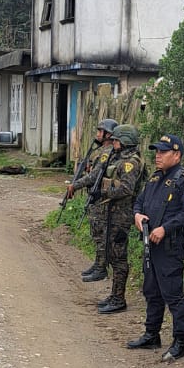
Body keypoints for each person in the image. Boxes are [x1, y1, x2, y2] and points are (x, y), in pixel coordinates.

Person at [128, 133, 184, 361]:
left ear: (176, 154)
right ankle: (152, 334)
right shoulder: (155, 178)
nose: (158, 156)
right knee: (151, 291)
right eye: (156, 151)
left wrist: (165, 229)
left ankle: (180, 341)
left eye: (163, 152)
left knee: (173, 295)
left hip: (170, 247)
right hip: (151, 245)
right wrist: (137, 215)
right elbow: (139, 200)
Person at [96, 123, 144, 315]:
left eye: (116, 140)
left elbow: (126, 189)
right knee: (113, 254)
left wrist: (105, 191)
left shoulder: (131, 162)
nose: (113, 143)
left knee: (119, 257)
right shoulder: (120, 159)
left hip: (122, 216)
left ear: (124, 141)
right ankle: (115, 294)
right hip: (114, 213)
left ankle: (119, 298)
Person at [68, 119, 118, 282]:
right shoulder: (102, 151)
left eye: (100, 131)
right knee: (96, 232)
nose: (97, 134)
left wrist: (75, 185)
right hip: (98, 196)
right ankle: (98, 264)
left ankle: (101, 266)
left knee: (100, 233)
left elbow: (94, 176)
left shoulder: (107, 152)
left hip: (101, 197)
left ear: (108, 134)